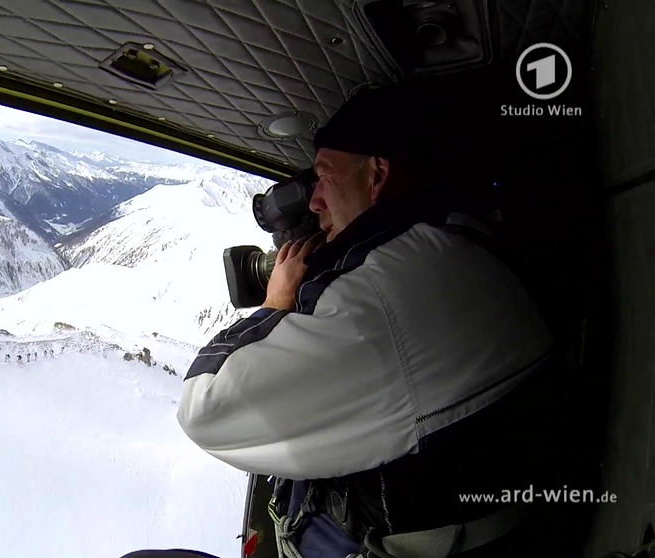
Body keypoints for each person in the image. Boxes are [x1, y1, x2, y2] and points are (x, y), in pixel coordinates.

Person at [132, 85, 581, 558]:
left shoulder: (374, 295)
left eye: (324, 178)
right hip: (515, 528)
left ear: (378, 174)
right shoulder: (467, 240)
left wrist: (277, 303)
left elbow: (204, 410)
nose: (315, 202)